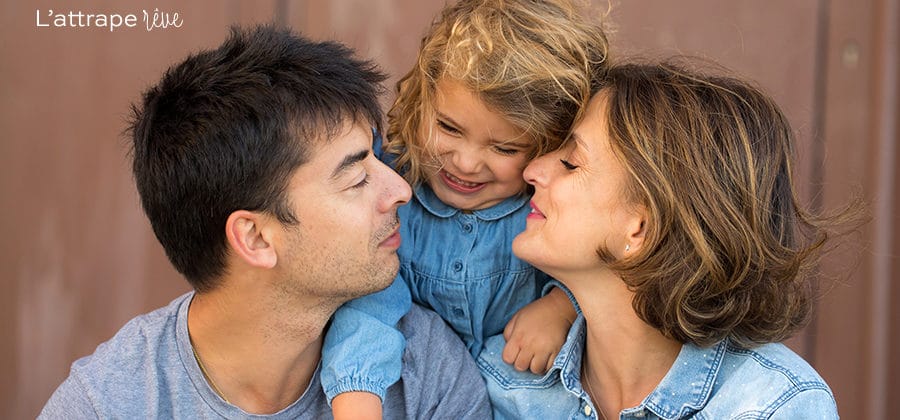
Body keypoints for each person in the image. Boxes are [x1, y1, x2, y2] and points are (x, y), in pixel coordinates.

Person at [38, 25, 491, 419]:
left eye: (378, 157)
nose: (400, 191)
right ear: (255, 237)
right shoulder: (111, 405)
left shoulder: (426, 368)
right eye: (356, 179)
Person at [477, 61, 844, 419]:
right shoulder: (506, 380)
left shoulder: (771, 406)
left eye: (571, 162)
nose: (532, 171)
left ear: (641, 228)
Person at [322, 0, 610, 417]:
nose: (466, 162)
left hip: (528, 395)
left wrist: (560, 307)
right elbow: (370, 304)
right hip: (416, 393)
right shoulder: (392, 194)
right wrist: (359, 396)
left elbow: (602, 271)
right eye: (449, 128)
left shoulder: (548, 210)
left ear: (550, 146)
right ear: (423, 100)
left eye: (504, 148)